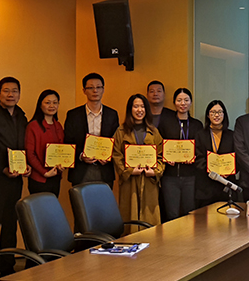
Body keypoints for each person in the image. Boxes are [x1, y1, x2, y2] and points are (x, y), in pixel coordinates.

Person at [0, 76, 29, 255]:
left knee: (11, 222)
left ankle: (8, 264)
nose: (10, 95)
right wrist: (2, 168)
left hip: (15, 179)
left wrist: (26, 165)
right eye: (6, 91)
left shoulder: (22, 117)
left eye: (14, 91)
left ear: (19, 94)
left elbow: (25, 146)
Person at [111, 94, 164, 228]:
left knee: (150, 217)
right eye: (136, 106)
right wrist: (128, 171)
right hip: (129, 182)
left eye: (142, 107)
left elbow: (161, 155)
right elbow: (116, 155)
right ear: (130, 109)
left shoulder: (154, 132)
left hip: (149, 181)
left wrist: (155, 172)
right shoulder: (121, 131)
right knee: (130, 215)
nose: (139, 110)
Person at [64, 73, 120, 186]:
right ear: (84, 91)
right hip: (81, 170)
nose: (95, 91)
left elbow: (116, 141)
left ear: (103, 90)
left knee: (105, 198)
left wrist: (109, 156)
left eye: (98, 87)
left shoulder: (112, 114)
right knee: (80, 198)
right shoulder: (73, 115)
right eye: (90, 87)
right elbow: (68, 142)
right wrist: (81, 156)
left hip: (104, 170)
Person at [157, 88, 204, 221]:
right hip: (170, 176)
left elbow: (201, 148)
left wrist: (194, 157)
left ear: (191, 102)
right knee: (171, 214)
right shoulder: (165, 123)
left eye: (186, 100)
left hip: (191, 176)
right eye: (179, 100)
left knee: (190, 212)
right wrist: (166, 157)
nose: (183, 103)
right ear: (174, 103)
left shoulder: (197, 125)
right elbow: (159, 145)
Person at [194, 100, 236, 209]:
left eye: (219, 112)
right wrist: (212, 171)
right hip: (206, 186)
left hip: (226, 184)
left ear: (224, 115)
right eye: (213, 112)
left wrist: (229, 171)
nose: (216, 115)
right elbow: (198, 158)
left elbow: (238, 158)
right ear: (208, 115)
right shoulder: (200, 135)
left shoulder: (232, 135)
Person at [26, 89, 65, 196]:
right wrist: (44, 172)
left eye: (55, 102)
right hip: (39, 178)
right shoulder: (33, 126)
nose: (52, 106)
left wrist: (63, 165)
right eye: (47, 103)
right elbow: (30, 154)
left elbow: (62, 151)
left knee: (53, 205)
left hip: (56, 176)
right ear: (40, 105)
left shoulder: (58, 125)